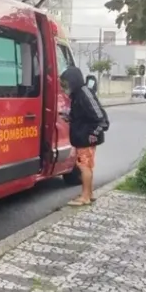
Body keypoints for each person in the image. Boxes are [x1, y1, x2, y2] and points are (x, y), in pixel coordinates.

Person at [61, 66, 109, 206]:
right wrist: (70, 118)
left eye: (66, 84)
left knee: (84, 167)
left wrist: (92, 135)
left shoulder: (84, 94)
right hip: (82, 137)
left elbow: (101, 118)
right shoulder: (77, 95)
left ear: (73, 81)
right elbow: (83, 116)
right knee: (86, 166)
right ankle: (89, 194)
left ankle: (85, 197)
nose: (65, 87)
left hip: (85, 138)